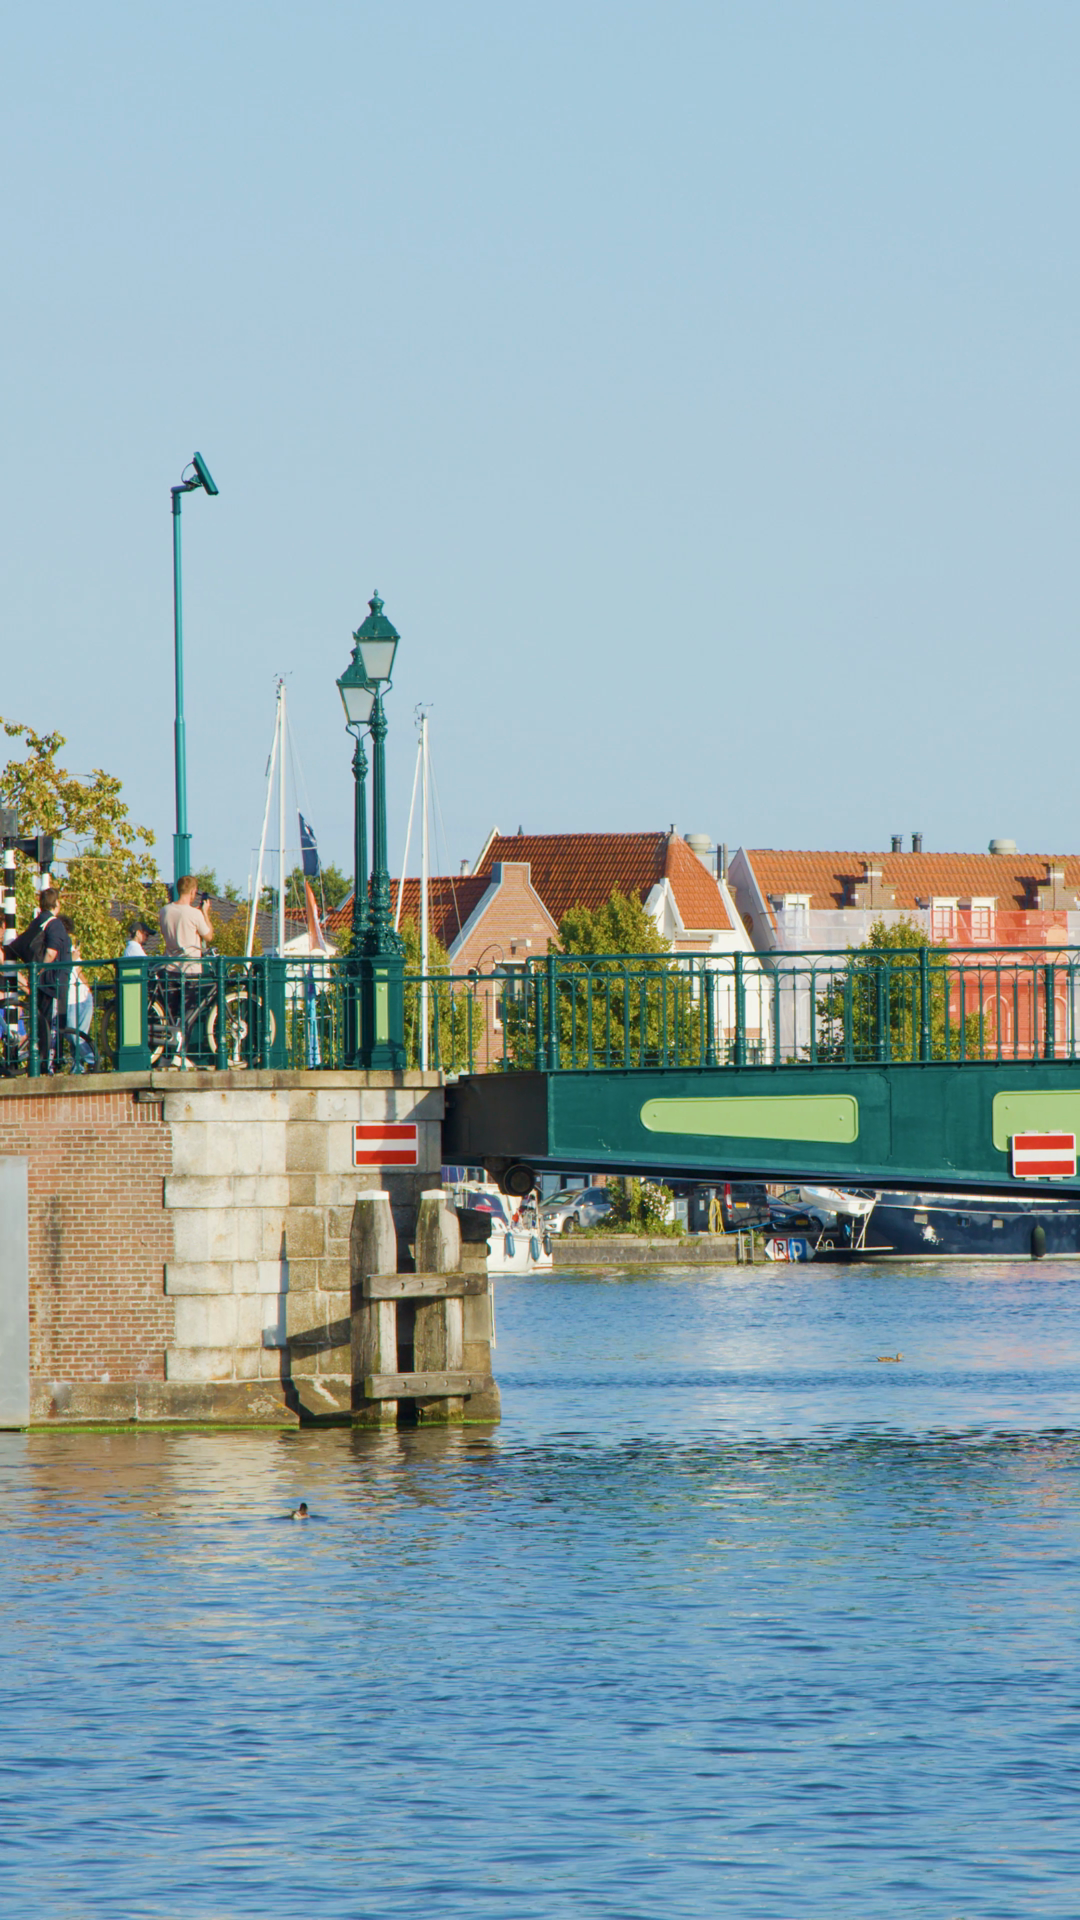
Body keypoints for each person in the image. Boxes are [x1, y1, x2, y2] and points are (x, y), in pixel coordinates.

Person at [9, 887, 69, 1071]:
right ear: (56, 903)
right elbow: (51, 952)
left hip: (40, 985)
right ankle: (50, 1064)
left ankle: (40, 1063)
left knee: (41, 1025)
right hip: (53, 983)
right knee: (53, 1025)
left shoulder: (36, 923)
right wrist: (40, 970)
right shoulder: (55, 924)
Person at [159, 876, 213, 966]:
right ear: (192, 891)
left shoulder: (164, 910)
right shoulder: (195, 914)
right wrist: (205, 913)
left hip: (169, 966)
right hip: (189, 967)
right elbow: (209, 936)